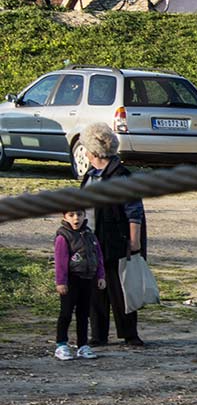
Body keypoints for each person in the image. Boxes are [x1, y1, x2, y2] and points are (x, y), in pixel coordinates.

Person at [79, 123, 147, 347]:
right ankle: (98, 335)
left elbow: (134, 211)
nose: (86, 154)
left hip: (117, 240)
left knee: (120, 289)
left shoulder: (121, 176)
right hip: (93, 240)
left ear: (96, 152)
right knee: (96, 288)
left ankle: (129, 334)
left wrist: (134, 242)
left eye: (87, 150)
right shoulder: (90, 175)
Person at [53, 209, 107, 360]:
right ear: (64, 216)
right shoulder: (63, 237)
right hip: (71, 280)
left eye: (79, 214)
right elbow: (60, 262)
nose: (76, 218)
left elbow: (98, 256)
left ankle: (82, 345)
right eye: (71, 215)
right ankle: (61, 345)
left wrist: (100, 276)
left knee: (83, 314)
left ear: (84, 216)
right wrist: (61, 282)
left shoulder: (90, 234)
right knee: (66, 313)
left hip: (87, 279)